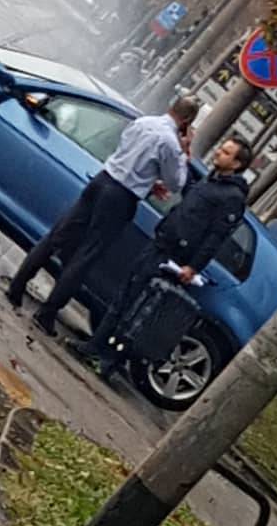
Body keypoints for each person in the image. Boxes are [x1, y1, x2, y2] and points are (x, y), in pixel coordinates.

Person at [6, 94, 200, 335]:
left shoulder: (143, 122)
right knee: (87, 254)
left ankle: (18, 285)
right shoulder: (171, 144)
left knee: (59, 234)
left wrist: (147, 180)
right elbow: (176, 182)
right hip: (122, 198)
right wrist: (185, 152)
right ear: (187, 120)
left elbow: (127, 152)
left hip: (102, 180)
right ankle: (47, 312)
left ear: (171, 106)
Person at [70, 134, 253, 377]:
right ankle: (96, 345)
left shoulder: (232, 197)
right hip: (161, 243)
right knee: (126, 296)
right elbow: (190, 198)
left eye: (226, 152)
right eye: (222, 148)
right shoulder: (211, 182)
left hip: (176, 256)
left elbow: (216, 237)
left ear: (237, 164)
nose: (219, 152)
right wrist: (184, 160)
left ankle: (109, 360)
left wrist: (193, 266)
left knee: (140, 308)